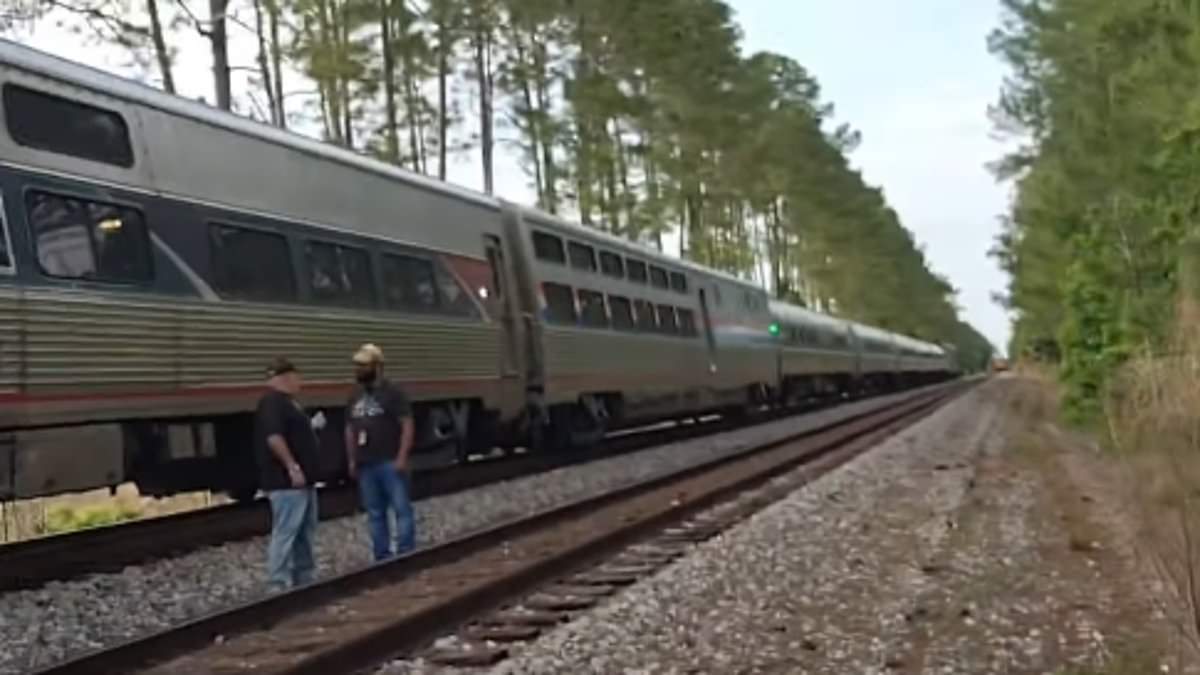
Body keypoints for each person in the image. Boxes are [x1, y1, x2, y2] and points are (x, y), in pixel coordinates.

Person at [254, 357, 322, 592]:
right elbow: (274, 437)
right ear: (286, 377)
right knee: (286, 530)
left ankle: (304, 577)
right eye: (296, 377)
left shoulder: (289, 403)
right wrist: (292, 467)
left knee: (304, 531)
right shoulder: (272, 403)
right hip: (286, 482)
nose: (299, 382)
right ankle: (278, 581)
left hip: (303, 481)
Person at [345, 343, 416, 560]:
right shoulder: (355, 395)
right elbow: (350, 428)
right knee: (375, 513)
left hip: (389, 460)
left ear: (377, 367)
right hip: (366, 463)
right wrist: (352, 459)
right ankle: (382, 555)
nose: (359, 370)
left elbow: (407, 424)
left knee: (401, 508)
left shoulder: (393, 393)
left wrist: (402, 456)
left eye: (364, 365)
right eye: (358, 366)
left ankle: (405, 552)